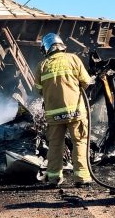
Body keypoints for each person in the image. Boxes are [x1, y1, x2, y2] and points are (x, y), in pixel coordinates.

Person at [35, 32, 94, 187]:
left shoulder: (42, 65)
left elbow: (39, 90)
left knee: (55, 145)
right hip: (75, 112)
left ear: (46, 48)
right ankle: (82, 178)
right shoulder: (73, 59)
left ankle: (54, 178)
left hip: (54, 115)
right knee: (80, 142)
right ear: (61, 45)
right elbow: (86, 82)